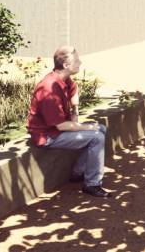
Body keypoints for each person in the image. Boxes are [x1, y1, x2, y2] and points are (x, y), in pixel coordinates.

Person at [27, 46, 111, 198]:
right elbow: (61, 126)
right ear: (66, 65)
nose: (80, 62)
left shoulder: (63, 78)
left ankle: (78, 172)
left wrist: (75, 112)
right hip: (47, 136)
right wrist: (87, 126)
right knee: (97, 136)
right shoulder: (49, 89)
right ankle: (92, 184)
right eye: (77, 61)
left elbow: (73, 91)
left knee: (101, 129)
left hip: (57, 129)